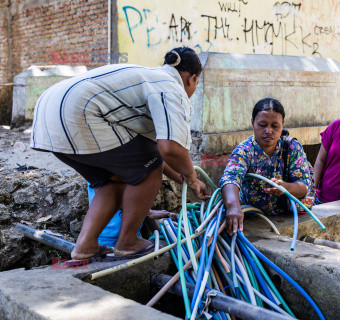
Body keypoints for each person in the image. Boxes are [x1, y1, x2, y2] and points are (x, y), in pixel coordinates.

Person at [30, 46, 210, 260]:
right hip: (77, 112)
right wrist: (191, 177)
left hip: (48, 114)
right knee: (149, 168)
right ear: (191, 78)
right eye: (196, 83)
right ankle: (128, 241)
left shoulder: (147, 78)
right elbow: (170, 149)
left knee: (112, 183)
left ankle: (85, 246)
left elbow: (158, 153)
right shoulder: (171, 87)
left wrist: (183, 180)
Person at [219, 98, 312, 235]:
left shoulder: (291, 147)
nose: (268, 131)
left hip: (285, 217)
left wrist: (285, 188)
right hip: (251, 218)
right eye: (262, 124)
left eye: (275, 126)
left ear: (283, 124)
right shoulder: (245, 150)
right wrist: (233, 207)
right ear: (252, 123)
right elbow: (230, 178)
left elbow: (304, 185)